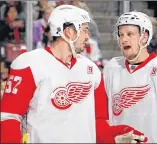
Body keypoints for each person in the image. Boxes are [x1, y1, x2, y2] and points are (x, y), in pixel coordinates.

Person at [0, 5, 139, 143]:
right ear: (69, 32)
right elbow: (9, 118)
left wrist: (115, 136)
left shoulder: (91, 70)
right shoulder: (29, 64)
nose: (87, 36)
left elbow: (98, 122)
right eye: (84, 30)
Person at [103, 11, 157, 143]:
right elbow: (101, 118)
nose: (123, 39)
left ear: (144, 37)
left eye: (130, 34)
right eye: (121, 35)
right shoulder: (111, 68)